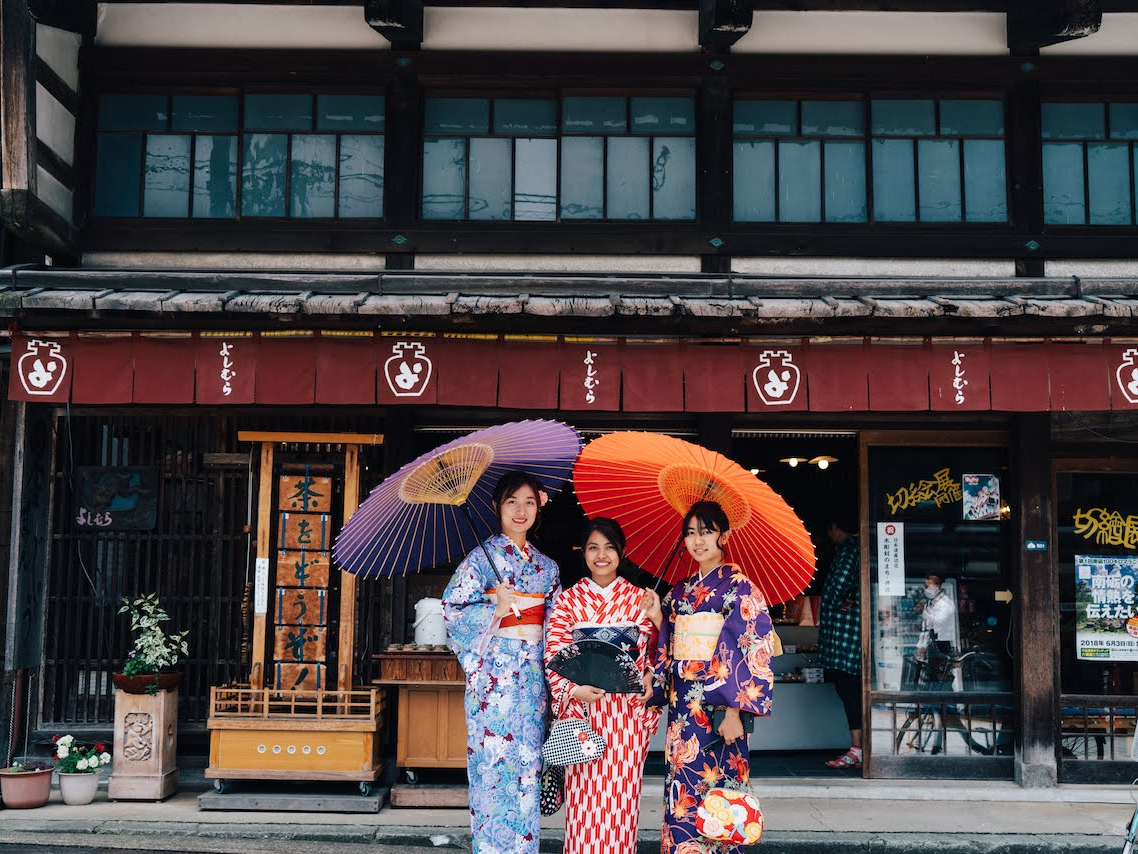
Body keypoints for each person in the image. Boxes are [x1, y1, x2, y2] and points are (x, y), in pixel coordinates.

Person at [645, 500, 775, 854]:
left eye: (706, 532)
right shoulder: (679, 592)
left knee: (722, 800)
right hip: (684, 712)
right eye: (690, 533)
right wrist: (659, 617)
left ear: (724, 536)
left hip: (719, 712)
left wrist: (735, 711)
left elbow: (748, 648)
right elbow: (670, 642)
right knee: (682, 796)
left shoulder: (741, 588)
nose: (697, 540)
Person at [442, 470, 561, 854]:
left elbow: (557, 628)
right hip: (492, 687)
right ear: (497, 507)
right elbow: (453, 610)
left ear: (538, 506)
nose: (520, 510)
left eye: (528, 501)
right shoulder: (479, 560)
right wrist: (495, 606)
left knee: (527, 775)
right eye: (512, 502)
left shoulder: (547, 569)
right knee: (492, 776)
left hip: (531, 687)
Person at [544, 517, 662, 854]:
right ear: (583, 553)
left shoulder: (639, 598)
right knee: (583, 802)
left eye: (609, 547)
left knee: (622, 802)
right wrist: (572, 690)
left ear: (621, 552)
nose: (601, 555)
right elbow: (553, 655)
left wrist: (651, 674)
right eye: (593, 547)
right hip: (582, 713)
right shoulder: (568, 600)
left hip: (626, 717)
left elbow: (656, 651)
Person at [818, 518, 862, 770]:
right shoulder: (858, 548)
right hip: (850, 630)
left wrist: (834, 601)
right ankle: (861, 747)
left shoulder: (848, 549)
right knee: (850, 685)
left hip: (845, 632)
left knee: (848, 685)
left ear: (836, 527)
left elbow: (838, 584)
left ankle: (857, 748)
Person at [915, 574, 957, 685]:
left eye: (928, 586)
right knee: (931, 676)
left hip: (941, 643)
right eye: (925, 586)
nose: (926, 589)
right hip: (931, 644)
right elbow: (927, 626)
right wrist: (922, 645)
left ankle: (945, 699)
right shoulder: (930, 603)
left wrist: (924, 613)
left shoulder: (945, 604)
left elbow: (939, 621)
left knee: (940, 677)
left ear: (937, 587)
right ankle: (936, 700)